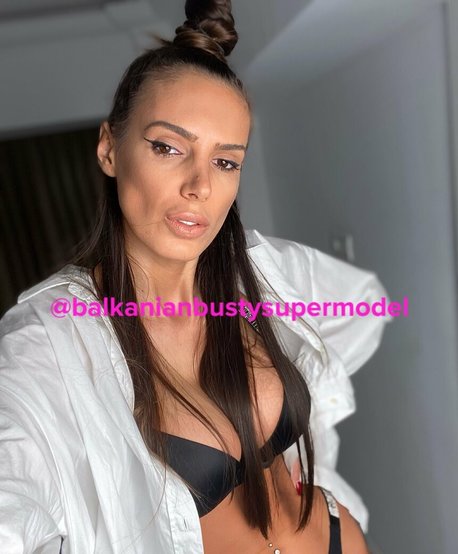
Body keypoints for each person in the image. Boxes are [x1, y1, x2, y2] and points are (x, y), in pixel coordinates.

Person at [0, 1, 392, 552]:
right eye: (168, 147)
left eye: (225, 161)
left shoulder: (256, 276)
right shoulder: (48, 340)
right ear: (109, 148)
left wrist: (317, 451)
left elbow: (363, 305)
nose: (199, 186)